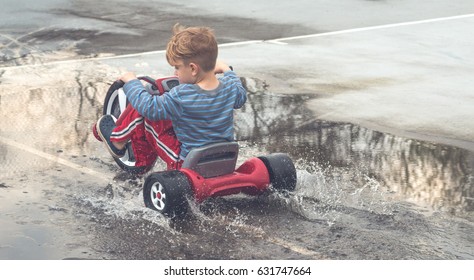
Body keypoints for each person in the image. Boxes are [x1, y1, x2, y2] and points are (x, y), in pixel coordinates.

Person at [94, 24, 247, 170]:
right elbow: (241, 96)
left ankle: (118, 140)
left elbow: (149, 108)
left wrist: (132, 82)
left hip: (186, 163)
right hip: (225, 159)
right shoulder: (230, 87)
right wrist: (227, 70)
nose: (175, 73)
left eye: (177, 67)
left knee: (147, 117)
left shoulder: (182, 95)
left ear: (193, 68)